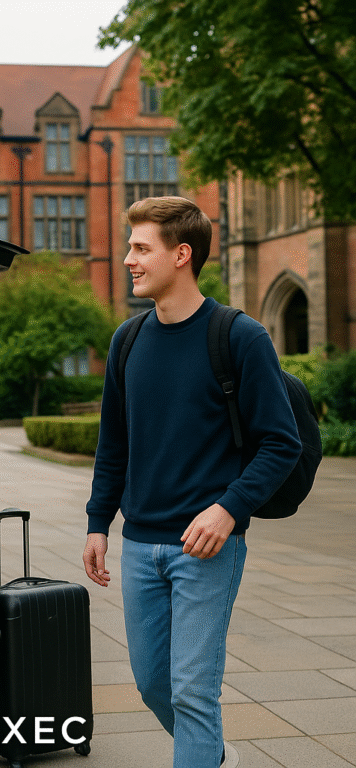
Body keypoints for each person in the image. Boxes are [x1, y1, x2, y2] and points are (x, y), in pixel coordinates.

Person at [82, 197, 301, 768]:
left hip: (207, 549)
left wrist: (228, 510)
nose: (128, 258)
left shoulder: (239, 336)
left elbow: (283, 442)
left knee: (192, 691)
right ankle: (214, 755)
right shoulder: (126, 342)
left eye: (140, 248)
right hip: (140, 544)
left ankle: (201, 752)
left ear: (181, 255)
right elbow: (114, 444)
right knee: (153, 683)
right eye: (130, 247)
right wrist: (97, 524)